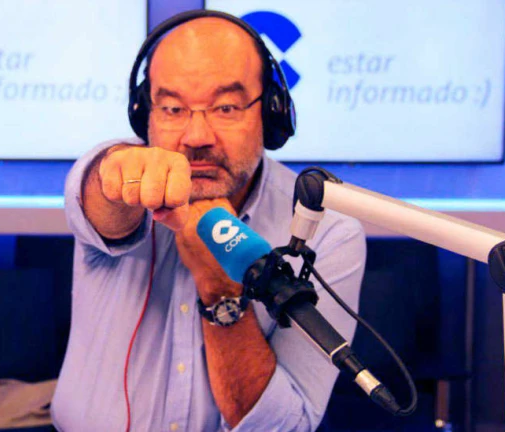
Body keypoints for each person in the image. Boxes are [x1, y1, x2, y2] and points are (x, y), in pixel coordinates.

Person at [52, 10, 366, 432]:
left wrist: (221, 291)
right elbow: (102, 194)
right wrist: (118, 176)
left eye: (225, 107)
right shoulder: (122, 174)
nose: (197, 137)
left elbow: (285, 428)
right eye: (172, 108)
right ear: (145, 114)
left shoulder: (326, 233)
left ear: (270, 112)